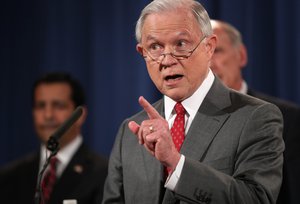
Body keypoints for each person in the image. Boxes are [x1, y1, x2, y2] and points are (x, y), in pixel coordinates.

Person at [102, 0, 284, 203]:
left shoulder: (255, 117)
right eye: (155, 47)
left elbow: (256, 199)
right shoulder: (130, 131)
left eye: (181, 44)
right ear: (142, 53)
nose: (167, 59)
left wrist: (176, 162)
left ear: (209, 47)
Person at [210, 19, 300, 204]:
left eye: (216, 51)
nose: (209, 63)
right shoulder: (187, 118)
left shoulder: (288, 118)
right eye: (202, 54)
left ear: (241, 55)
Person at [0, 72, 108, 204]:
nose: (48, 115)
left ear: (80, 115)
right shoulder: (9, 177)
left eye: (58, 105)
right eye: (40, 106)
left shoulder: (105, 175)